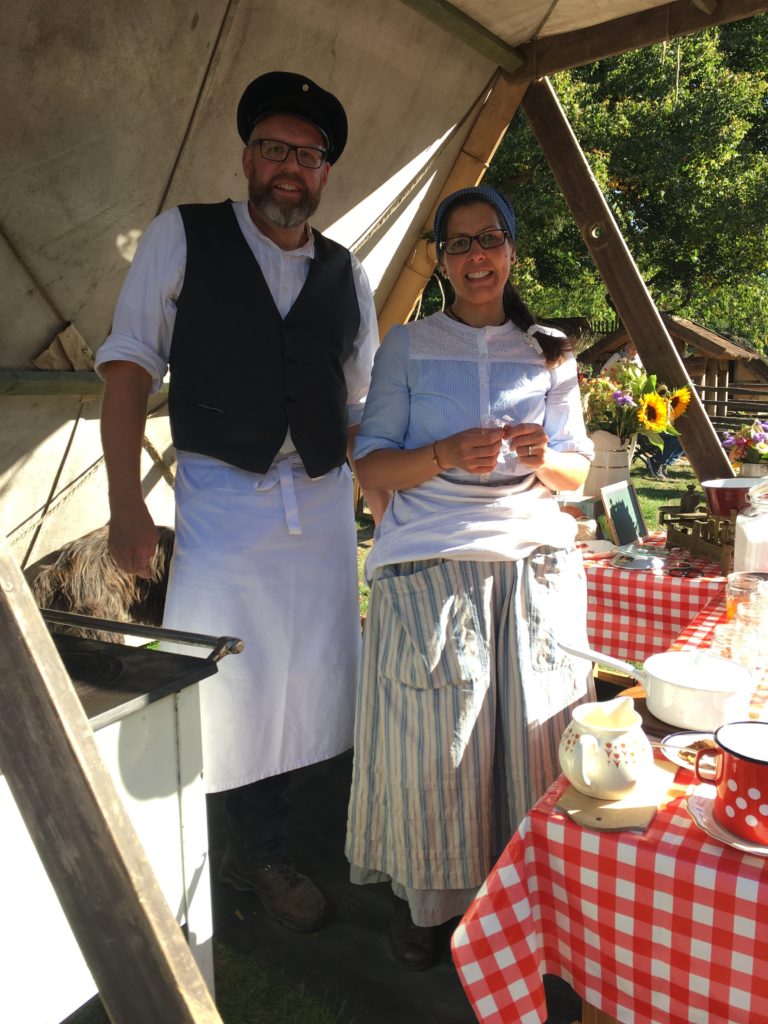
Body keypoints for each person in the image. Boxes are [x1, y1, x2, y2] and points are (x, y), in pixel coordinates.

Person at [96, 71, 388, 933]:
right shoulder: (182, 237)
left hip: (326, 501)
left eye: (308, 154)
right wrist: (125, 504)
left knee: (316, 672)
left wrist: (397, 502)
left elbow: (363, 404)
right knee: (223, 673)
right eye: (275, 149)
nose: (290, 167)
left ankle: (283, 833)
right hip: (225, 494)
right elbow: (127, 367)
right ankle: (227, 847)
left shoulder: (347, 274)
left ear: (325, 172)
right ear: (248, 157)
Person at [344, 185, 596, 970]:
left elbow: (577, 471)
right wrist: (446, 455)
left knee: (538, 741)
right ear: (442, 259)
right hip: (432, 559)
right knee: (437, 745)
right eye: (459, 244)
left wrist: (540, 455)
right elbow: (372, 459)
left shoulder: (550, 351)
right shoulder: (409, 346)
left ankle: (529, 897)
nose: (476, 256)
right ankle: (433, 901)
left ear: (512, 251)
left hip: (532, 557)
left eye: (490, 239)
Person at [602, 342, 683, 478]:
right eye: (631, 346)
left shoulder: (641, 361)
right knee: (674, 437)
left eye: (636, 347)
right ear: (627, 346)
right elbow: (604, 372)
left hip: (643, 405)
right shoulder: (618, 356)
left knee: (680, 437)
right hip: (627, 405)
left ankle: (663, 462)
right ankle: (657, 461)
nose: (634, 350)